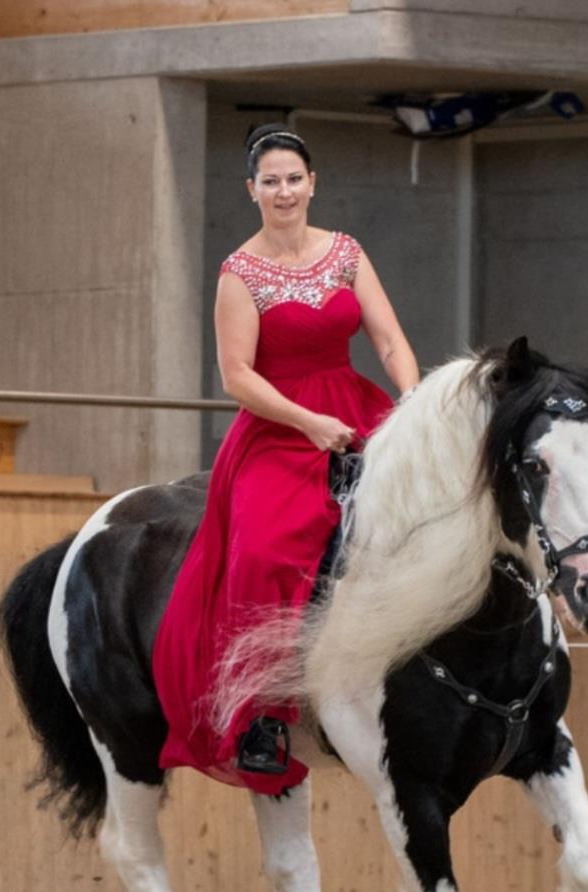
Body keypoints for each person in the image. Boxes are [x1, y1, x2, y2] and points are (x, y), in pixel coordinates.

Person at [151, 123, 420, 795]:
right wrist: (306, 422)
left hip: (355, 409)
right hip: (277, 426)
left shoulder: (347, 253)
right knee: (267, 549)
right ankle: (261, 715)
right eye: (269, 181)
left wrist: (414, 402)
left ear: (312, 183)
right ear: (251, 190)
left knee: (421, 519)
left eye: (293, 178)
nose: (283, 190)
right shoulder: (238, 273)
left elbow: (387, 340)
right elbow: (236, 375)